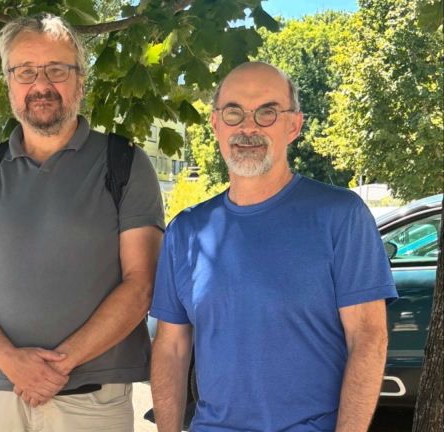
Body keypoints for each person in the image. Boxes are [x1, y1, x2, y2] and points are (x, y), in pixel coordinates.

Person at [0, 13, 165, 432]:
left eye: (57, 70)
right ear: (9, 82)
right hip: (2, 394)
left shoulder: (124, 163)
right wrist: (12, 363)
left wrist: (58, 365)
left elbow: (142, 283)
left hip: (94, 400)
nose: (41, 84)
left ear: (81, 81)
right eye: (25, 71)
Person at [150, 62, 398, 432]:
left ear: (293, 126)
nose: (248, 127)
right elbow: (171, 348)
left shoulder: (341, 216)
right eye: (234, 112)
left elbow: (368, 339)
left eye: (267, 112)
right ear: (216, 124)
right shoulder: (186, 231)